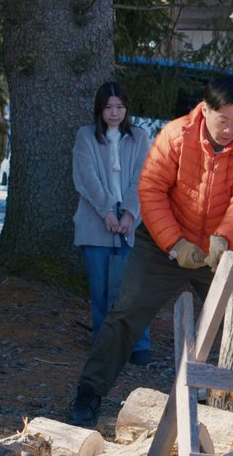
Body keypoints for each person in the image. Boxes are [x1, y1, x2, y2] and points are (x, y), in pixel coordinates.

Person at [66, 75, 233, 428]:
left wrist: (223, 237)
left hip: (218, 250)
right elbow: (152, 189)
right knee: (125, 314)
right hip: (163, 244)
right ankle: (89, 393)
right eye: (224, 120)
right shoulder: (175, 135)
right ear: (205, 111)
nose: (230, 130)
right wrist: (174, 243)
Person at [72, 81, 152, 365]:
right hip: (96, 221)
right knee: (101, 289)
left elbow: (144, 177)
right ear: (100, 109)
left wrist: (129, 212)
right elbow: (86, 177)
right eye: (109, 107)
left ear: (126, 109)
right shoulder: (86, 137)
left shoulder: (140, 137)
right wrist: (107, 210)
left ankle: (138, 345)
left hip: (131, 219)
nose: (114, 113)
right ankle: (104, 346)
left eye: (119, 107)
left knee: (133, 288)